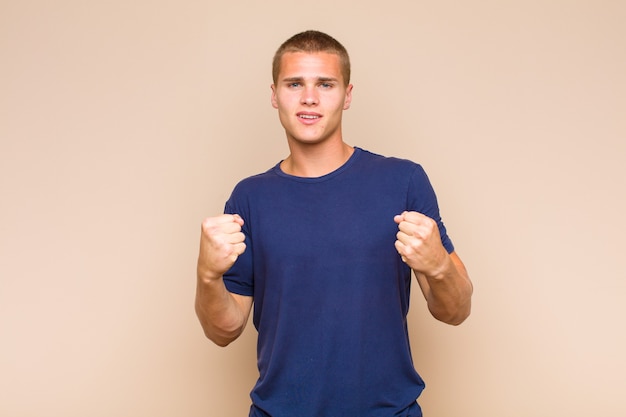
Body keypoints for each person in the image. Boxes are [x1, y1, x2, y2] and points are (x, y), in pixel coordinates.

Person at [195, 30, 473, 417]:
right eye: (295, 84)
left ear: (347, 94)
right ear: (275, 94)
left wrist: (440, 266)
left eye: (325, 84)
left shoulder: (403, 181)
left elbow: (455, 311)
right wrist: (207, 276)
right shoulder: (249, 198)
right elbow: (223, 330)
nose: (309, 98)